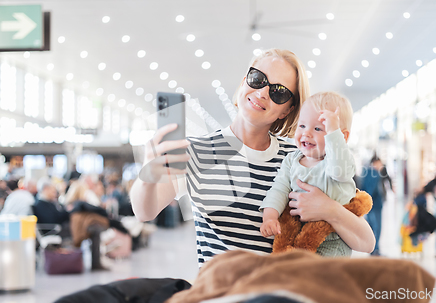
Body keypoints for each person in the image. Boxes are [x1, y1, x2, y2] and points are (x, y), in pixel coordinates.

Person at [130, 48, 375, 267]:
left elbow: (365, 240)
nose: (263, 92)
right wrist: (148, 174)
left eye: (279, 92)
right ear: (244, 81)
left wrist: (329, 209)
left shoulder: (298, 160)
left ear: (288, 109)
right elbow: (145, 211)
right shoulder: (196, 151)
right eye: (258, 79)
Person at [259, 91, 356, 257]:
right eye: (302, 126)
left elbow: (340, 172)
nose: (306, 133)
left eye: (318, 128)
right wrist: (270, 216)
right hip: (300, 235)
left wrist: (334, 134)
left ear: (342, 137)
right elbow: (279, 189)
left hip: (333, 239)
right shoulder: (291, 160)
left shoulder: (337, 161)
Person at [360, 156, 383, 256]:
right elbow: (371, 190)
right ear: (375, 163)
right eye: (379, 163)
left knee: (372, 226)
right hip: (375, 205)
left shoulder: (367, 172)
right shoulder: (375, 173)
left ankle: (373, 249)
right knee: (376, 227)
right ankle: (375, 249)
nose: (381, 166)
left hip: (369, 205)